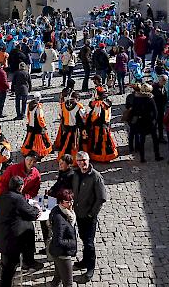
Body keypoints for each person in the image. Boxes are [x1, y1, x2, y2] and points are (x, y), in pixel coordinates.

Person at [0, 176, 43, 287]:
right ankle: (27, 261)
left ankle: (28, 260)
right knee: (8, 269)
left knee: (28, 228)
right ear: (20, 187)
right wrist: (37, 208)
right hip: (11, 241)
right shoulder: (17, 199)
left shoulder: (3, 196)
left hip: (2, 234)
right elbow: (32, 214)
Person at [72, 151, 106, 283]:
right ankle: (85, 261)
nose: (82, 163)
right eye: (79, 161)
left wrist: (92, 213)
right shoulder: (76, 174)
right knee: (83, 238)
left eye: (84, 160)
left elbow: (101, 198)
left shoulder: (96, 177)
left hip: (89, 216)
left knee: (89, 242)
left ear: (88, 159)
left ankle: (90, 268)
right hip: (79, 213)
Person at [48, 188, 77, 287]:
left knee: (58, 276)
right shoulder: (60, 220)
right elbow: (59, 241)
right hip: (62, 254)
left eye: (72, 200)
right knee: (68, 283)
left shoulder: (62, 210)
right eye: (68, 202)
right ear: (61, 202)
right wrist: (73, 242)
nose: (71, 203)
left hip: (56, 252)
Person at [131, 83, 163, 163]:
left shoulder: (136, 98)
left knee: (142, 140)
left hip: (140, 121)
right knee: (155, 139)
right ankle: (157, 155)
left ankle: (142, 158)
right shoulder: (150, 99)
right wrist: (155, 121)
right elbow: (155, 112)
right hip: (150, 122)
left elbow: (134, 111)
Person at [87, 86, 118, 162]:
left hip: (98, 125)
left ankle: (98, 156)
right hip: (106, 124)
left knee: (98, 141)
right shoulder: (107, 102)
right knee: (106, 141)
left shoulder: (98, 104)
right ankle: (108, 156)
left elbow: (94, 116)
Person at [21, 92, 53, 158]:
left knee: (30, 139)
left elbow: (28, 114)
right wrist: (43, 125)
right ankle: (39, 151)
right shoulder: (38, 107)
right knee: (41, 140)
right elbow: (40, 118)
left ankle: (29, 150)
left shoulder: (30, 105)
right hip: (38, 126)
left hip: (31, 125)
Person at [57, 91, 86, 161]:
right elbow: (84, 117)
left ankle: (64, 158)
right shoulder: (79, 106)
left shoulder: (63, 105)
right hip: (74, 129)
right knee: (75, 145)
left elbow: (60, 115)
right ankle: (74, 159)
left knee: (65, 144)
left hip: (66, 129)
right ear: (77, 98)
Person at [152, 74, 169, 143]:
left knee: (160, 124)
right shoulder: (154, 88)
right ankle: (155, 138)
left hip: (161, 108)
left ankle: (161, 137)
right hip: (156, 109)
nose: (165, 82)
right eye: (164, 81)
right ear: (160, 80)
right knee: (154, 124)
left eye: (166, 81)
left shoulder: (163, 87)